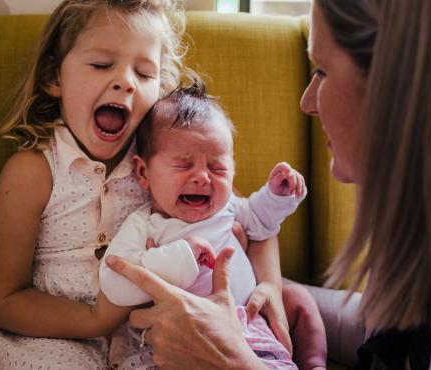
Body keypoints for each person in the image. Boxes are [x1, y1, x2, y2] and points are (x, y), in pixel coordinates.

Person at [105, 0, 431, 369]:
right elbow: (388, 326)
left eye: (322, 70)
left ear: (403, 87)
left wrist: (231, 362)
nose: (307, 101)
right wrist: (276, 293)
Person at [0, 0, 295, 369]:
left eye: (144, 74)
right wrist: (95, 319)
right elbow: (3, 299)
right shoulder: (33, 172)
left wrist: (272, 287)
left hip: (145, 340)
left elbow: (251, 220)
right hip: (47, 334)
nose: (125, 82)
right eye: (101, 64)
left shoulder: (164, 163)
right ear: (54, 77)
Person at [98, 81, 307, 369]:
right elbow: (115, 284)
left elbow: (261, 223)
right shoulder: (145, 224)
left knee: (284, 349)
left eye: (217, 167)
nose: (202, 178)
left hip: (246, 326)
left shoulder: (229, 208)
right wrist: (179, 257)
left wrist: (278, 196)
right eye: (184, 165)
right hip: (176, 338)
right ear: (143, 172)